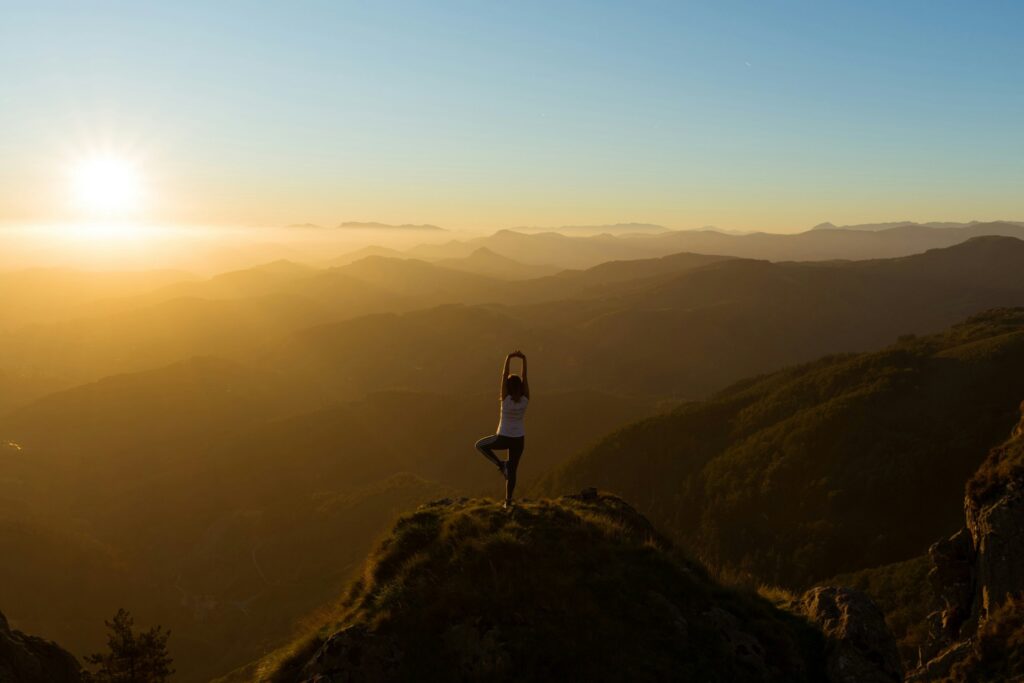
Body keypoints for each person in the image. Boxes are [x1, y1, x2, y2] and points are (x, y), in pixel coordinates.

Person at [475, 350, 529, 509]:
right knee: (513, 471)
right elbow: (525, 378)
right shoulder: (525, 400)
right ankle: (508, 501)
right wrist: (524, 360)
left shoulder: (505, 400)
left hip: (503, 437)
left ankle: (500, 464)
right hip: (519, 440)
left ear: (508, 387)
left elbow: (503, 375)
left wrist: (508, 358)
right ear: (520, 386)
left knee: (479, 445)